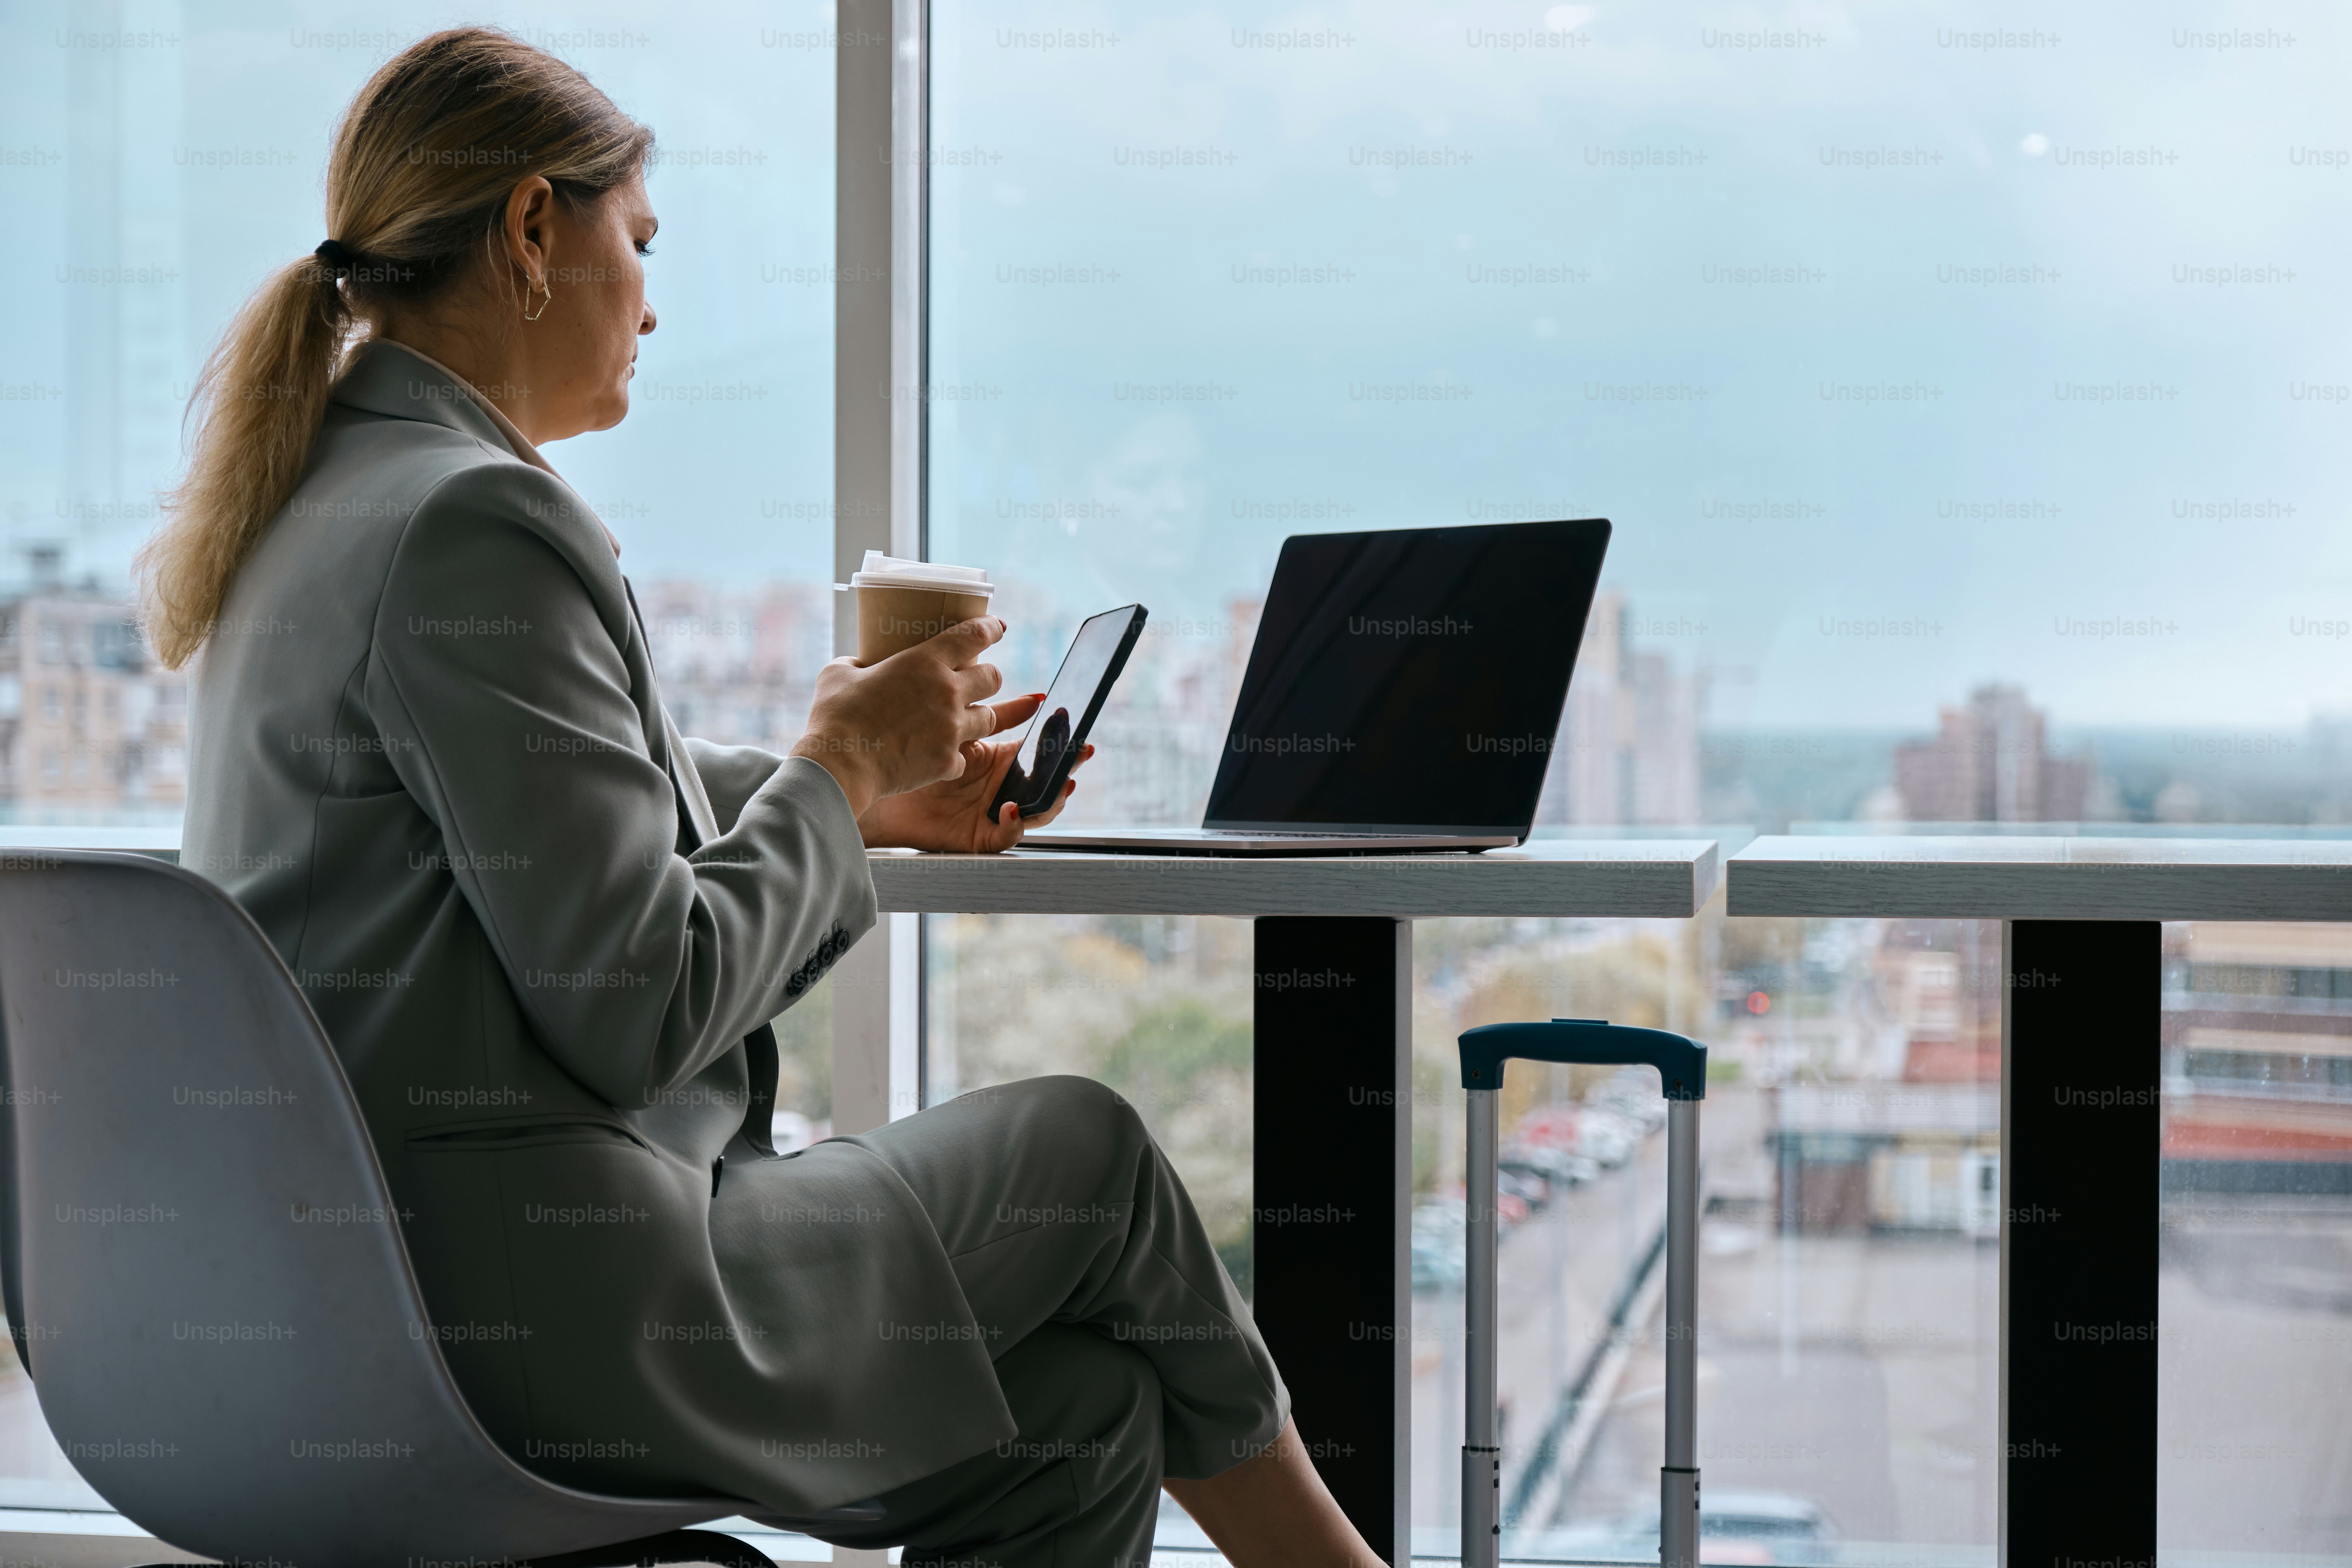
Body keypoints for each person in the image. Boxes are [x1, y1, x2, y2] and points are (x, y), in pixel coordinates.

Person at [148, 27, 1380, 1568]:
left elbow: (518, 816)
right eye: (638, 243)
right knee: (1093, 1155)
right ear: (535, 230)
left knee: (1073, 1415)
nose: (654, 303)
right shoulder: (478, 519)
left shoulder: (320, 500)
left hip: (345, 1303)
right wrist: (834, 772)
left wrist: (848, 796)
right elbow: (633, 1001)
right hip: (534, 1314)